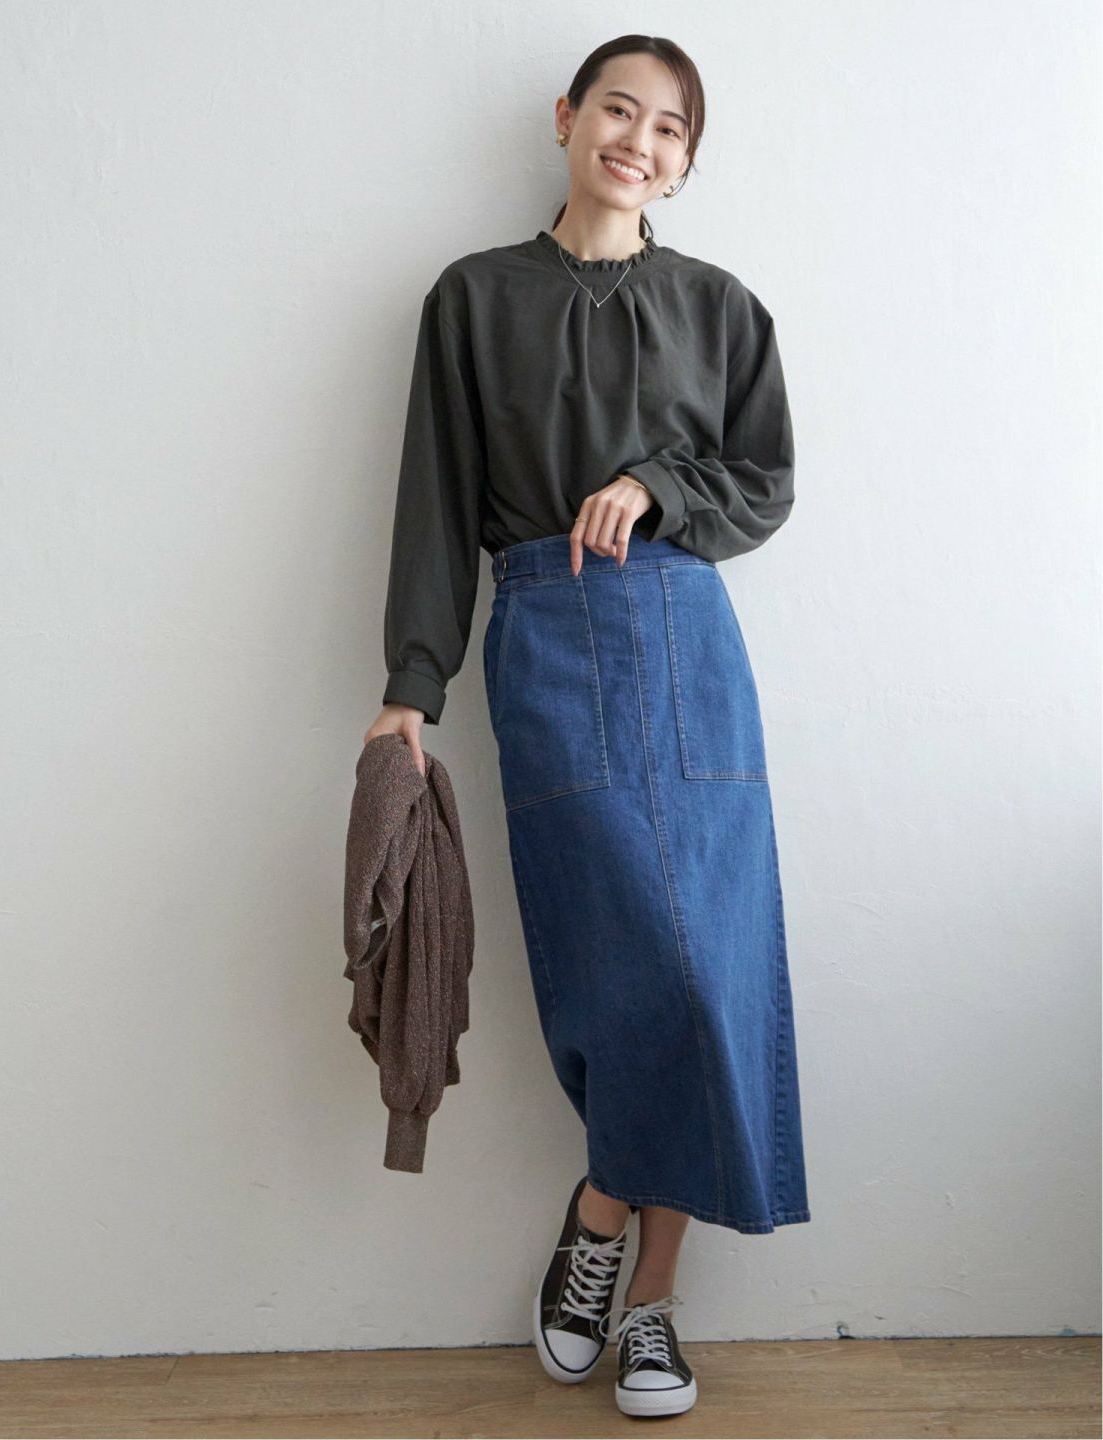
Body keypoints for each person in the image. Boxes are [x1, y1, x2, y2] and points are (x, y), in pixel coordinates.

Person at [362, 34, 810, 1419]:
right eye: (620, 109)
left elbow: (765, 480)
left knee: (707, 973)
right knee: (622, 972)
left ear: (685, 161)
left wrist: (660, 487)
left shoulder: (721, 307)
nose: (640, 140)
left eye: (670, 129)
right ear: (567, 117)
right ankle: (619, 1230)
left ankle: (633, 1271)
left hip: (688, 646)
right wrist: (413, 684)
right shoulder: (473, 297)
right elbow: (437, 496)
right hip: (548, 641)